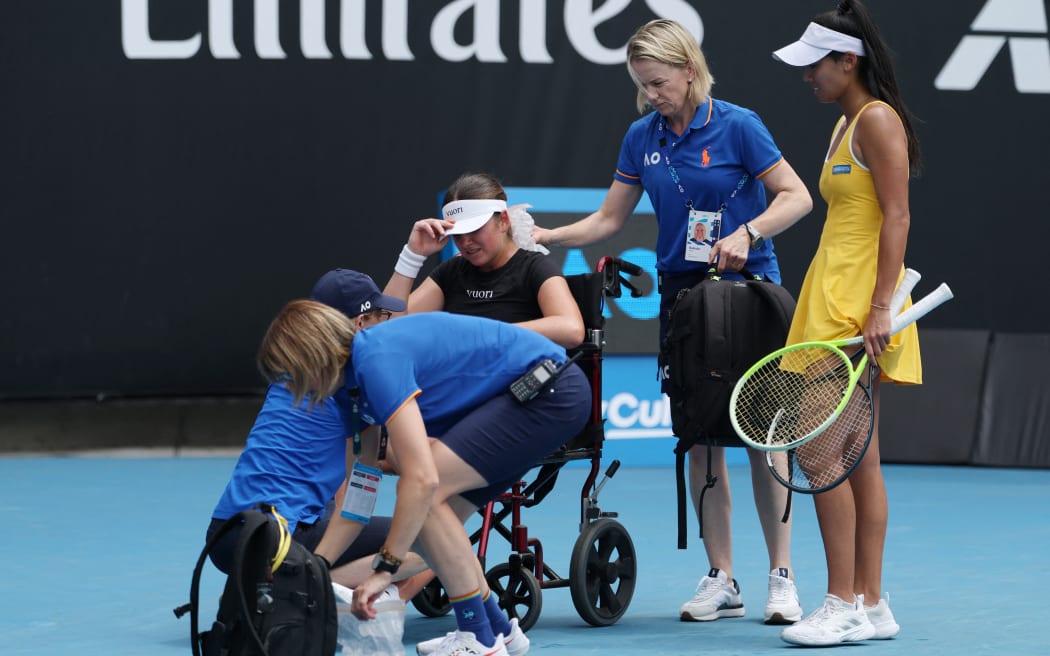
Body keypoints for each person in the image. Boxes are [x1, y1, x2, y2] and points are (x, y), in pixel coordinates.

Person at [533, 19, 814, 625]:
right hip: (687, 304)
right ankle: (721, 578)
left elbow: (795, 196)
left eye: (659, 82)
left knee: (766, 437)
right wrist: (549, 234)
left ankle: (781, 577)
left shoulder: (740, 125)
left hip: (750, 293)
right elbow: (609, 218)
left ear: (690, 69)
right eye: (642, 85)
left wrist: (748, 231)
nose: (651, 95)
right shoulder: (642, 136)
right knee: (700, 435)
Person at [257, 303, 590, 656]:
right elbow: (360, 493)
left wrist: (386, 569)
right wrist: (315, 570)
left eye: (291, 374)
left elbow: (422, 479)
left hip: (549, 391)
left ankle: (476, 636)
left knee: (426, 496)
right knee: (434, 520)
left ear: (312, 356)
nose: (293, 389)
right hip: (532, 398)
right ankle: (496, 629)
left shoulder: (376, 360)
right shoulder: (350, 391)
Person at [771, 0, 921, 645]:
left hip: (857, 310)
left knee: (819, 451)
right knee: (859, 459)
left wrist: (881, 306)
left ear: (847, 60)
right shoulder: (843, 124)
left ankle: (840, 601)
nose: (808, 76)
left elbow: (898, 217)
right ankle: (872, 603)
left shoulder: (878, 121)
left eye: (815, 67)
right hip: (831, 297)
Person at [206, 270, 427, 599]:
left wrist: (412, 256)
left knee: (332, 514)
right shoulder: (356, 385)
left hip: (223, 537)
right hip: (277, 539)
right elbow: (369, 482)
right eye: (379, 315)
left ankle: (297, 580)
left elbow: (352, 481)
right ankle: (323, 594)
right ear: (360, 323)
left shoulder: (289, 371)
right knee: (431, 540)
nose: (386, 324)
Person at [385, 172, 584, 349]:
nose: (465, 242)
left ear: (504, 220)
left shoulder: (534, 267)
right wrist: (412, 255)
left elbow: (572, 329)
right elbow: (384, 330)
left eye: (474, 229)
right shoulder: (452, 271)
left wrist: (486, 335)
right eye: (458, 234)